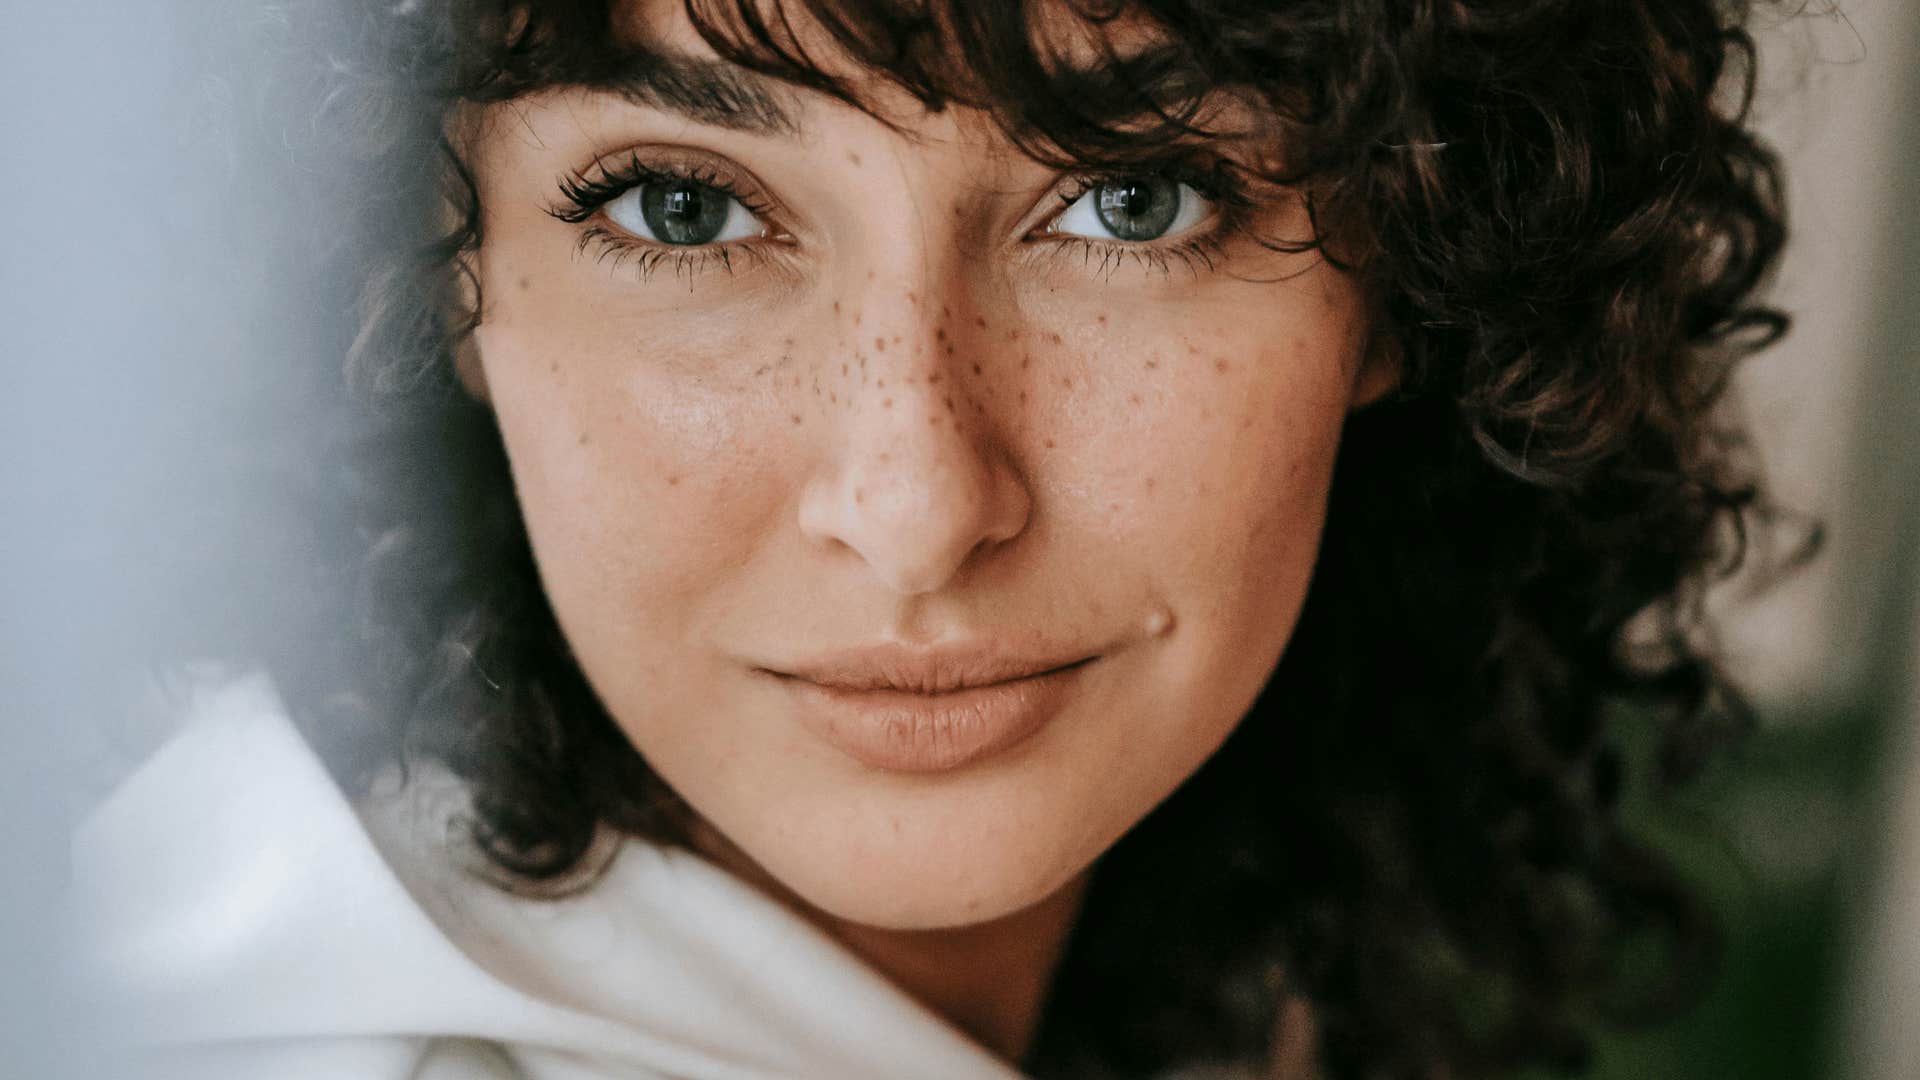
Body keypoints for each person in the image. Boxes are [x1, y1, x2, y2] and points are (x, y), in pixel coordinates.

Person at [72, 0, 1800, 1077]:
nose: (916, 503)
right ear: (426, 279)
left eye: (1136, 199)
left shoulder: (1251, 975)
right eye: (685, 210)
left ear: (1416, 266)